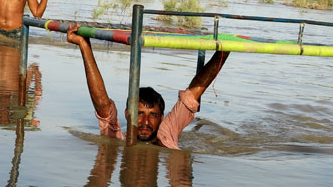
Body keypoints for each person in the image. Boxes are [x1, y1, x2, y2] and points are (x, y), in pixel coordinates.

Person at [66, 24, 229, 149]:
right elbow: (102, 104)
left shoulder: (167, 134)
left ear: (161, 118)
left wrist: (224, 51)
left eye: (152, 115)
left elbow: (193, 93)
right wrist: (83, 45)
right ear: (127, 114)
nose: (145, 122)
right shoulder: (115, 138)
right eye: (139, 113)